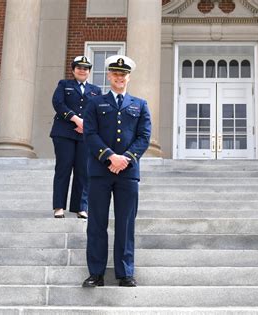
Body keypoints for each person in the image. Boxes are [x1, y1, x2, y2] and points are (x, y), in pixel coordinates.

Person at [82, 55, 151, 287]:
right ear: (109, 76)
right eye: (115, 74)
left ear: (128, 77)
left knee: (125, 224)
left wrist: (126, 159)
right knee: (97, 224)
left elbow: (143, 137)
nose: (119, 77)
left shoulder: (140, 104)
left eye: (123, 74)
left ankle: (125, 273)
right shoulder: (94, 103)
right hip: (100, 172)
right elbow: (90, 134)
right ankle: (96, 273)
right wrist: (110, 156)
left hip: (128, 173)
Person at [50, 56, 102, 219]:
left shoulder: (95, 90)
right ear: (73, 70)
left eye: (86, 68)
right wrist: (76, 119)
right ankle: (59, 207)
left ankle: (81, 207)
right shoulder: (64, 85)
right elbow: (58, 103)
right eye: (79, 67)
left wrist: (87, 125)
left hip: (84, 136)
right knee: (63, 169)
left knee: (83, 171)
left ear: (89, 72)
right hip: (64, 133)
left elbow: (97, 111)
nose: (82, 70)